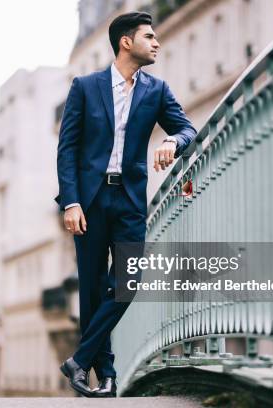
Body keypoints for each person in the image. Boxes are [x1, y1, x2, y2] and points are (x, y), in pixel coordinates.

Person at [55, 11, 196, 398]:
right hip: (90, 198)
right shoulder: (85, 87)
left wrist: (172, 142)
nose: (157, 43)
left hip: (130, 199)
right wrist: (71, 201)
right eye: (149, 36)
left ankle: (79, 361)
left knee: (129, 281)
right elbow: (67, 149)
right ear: (126, 42)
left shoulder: (157, 90)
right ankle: (108, 376)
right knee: (93, 287)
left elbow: (187, 129)